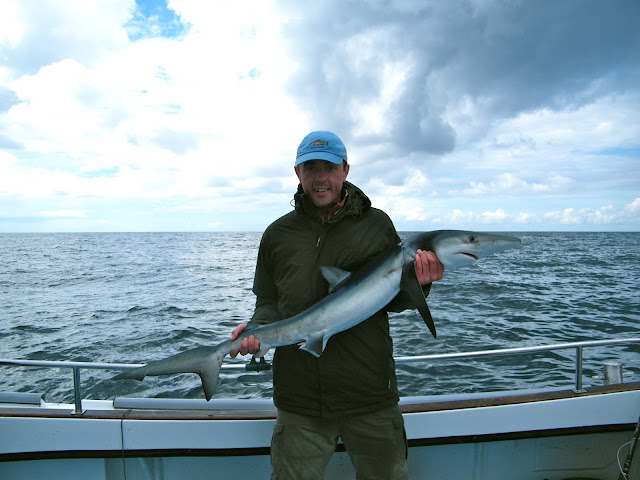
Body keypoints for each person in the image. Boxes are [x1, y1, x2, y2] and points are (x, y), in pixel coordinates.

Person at [230, 131, 444, 480]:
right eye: (310, 168)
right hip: (300, 398)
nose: (320, 178)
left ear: (345, 170)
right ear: (297, 173)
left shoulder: (377, 225)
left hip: (370, 394)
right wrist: (256, 329)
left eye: (329, 167)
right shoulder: (277, 234)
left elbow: (397, 300)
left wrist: (421, 283)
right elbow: (268, 302)